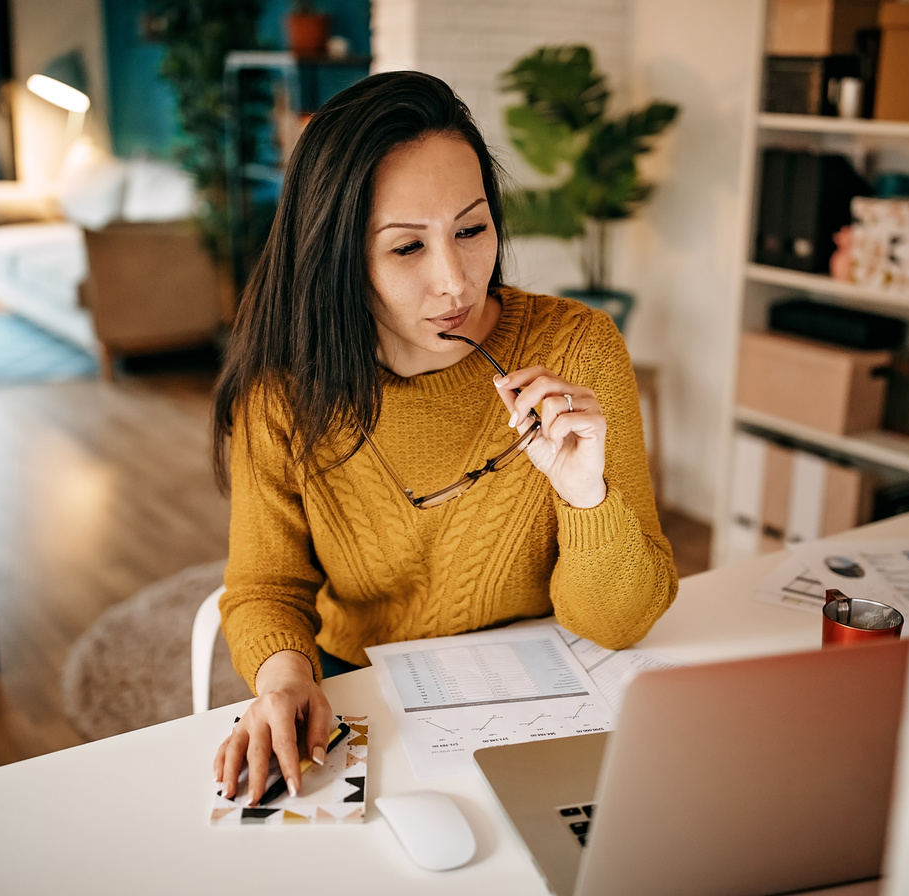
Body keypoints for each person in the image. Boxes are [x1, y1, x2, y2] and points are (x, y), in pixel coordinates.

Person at [211, 71, 678, 803]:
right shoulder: (282, 393)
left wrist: (586, 496)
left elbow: (619, 623)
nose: (456, 282)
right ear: (337, 258)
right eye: (406, 249)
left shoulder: (578, 349)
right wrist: (285, 679)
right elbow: (267, 586)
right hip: (359, 686)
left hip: (550, 682)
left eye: (471, 229)